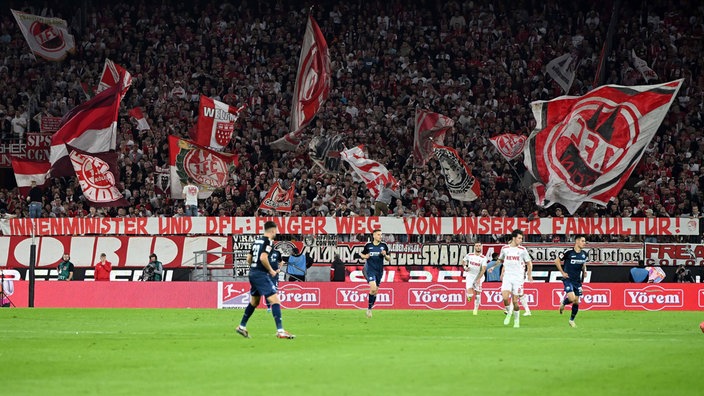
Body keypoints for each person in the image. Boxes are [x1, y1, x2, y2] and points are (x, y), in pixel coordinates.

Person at [236, 221, 295, 339]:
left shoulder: (257, 241)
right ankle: (280, 331)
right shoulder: (268, 241)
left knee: (255, 302)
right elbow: (263, 257)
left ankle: (241, 326)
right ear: (272, 230)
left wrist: (254, 268)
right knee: (275, 301)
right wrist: (271, 270)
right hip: (260, 275)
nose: (276, 233)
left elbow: (249, 258)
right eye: (276, 231)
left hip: (253, 273)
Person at [496, 229, 533, 328]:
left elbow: (529, 263)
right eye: (519, 238)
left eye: (521, 238)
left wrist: (529, 275)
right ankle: (509, 313)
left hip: (518, 277)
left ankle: (516, 320)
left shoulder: (522, 250)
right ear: (514, 238)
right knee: (504, 297)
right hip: (507, 276)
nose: (521, 240)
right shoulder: (505, 248)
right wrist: (493, 267)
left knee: (515, 301)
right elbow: (502, 260)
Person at [555, 235, 588, 328]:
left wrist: (584, 270)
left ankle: (571, 320)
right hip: (568, 279)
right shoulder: (568, 252)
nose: (584, 243)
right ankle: (564, 303)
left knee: (576, 302)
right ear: (577, 241)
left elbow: (583, 264)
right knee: (572, 298)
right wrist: (562, 272)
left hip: (577, 280)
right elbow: (557, 261)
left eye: (584, 241)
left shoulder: (584, 254)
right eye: (582, 241)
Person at [359, 229, 391, 318]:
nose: (380, 236)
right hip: (370, 269)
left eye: (381, 235)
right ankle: (369, 309)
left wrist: (385, 255)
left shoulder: (384, 246)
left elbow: (389, 258)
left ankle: (370, 308)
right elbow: (362, 255)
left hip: (379, 271)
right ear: (373, 235)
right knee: (373, 288)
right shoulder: (368, 246)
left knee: (375, 291)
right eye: (378, 234)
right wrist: (365, 256)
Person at [461, 241, 488, 315]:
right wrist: (465, 267)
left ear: (481, 247)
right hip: (470, 275)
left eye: (479, 246)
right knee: (470, 294)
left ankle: (475, 309)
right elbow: (463, 261)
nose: (478, 247)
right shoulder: (469, 255)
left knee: (478, 294)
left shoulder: (483, 258)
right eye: (477, 246)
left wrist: (479, 278)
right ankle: (469, 295)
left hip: (479, 276)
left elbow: (483, 269)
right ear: (474, 247)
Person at [265, 245, 283, 312]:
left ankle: (274, 306)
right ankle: (269, 307)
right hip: (267, 274)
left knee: (274, 290)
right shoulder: (265, 254)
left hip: (275, 274)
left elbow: (281, 262)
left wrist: (279, 269)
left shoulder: (277, 253)